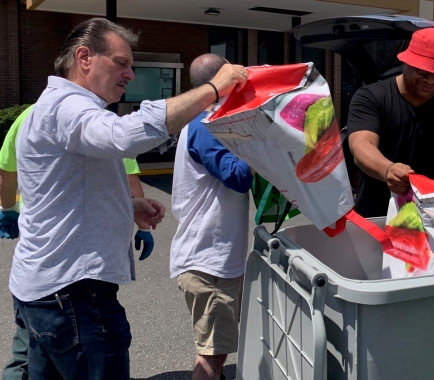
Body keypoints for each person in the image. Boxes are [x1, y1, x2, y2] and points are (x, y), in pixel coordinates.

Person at [10, 17, 247, 379]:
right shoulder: (68, 106)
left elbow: (57, 189)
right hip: (73, 294)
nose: (131, 74)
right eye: (121, 62)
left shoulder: (52, 106)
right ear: (84, 57)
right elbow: (122, 136)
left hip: (45, 290)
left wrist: (128, 205)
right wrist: (214, 89)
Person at [0, 105, 155, 380]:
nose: (128, 75)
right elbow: (128, 179)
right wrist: (144, 228)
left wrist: (9, 210)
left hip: (32, 268)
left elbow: (6, 172)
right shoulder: (93, 122)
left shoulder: (27, 118)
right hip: (71, 276)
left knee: (29, 348)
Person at [170, 53, 253, 380]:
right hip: (208, 264)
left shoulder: (211, 124)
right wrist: (262, 142)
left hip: (217, 260)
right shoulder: (206, 126)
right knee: (212, 357)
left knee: (215, 352)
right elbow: (239, 176)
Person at [346, 28, 434, 217]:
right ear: (406, 61)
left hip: (432, 218)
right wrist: (388, 170)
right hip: (376, 216)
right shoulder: (371, 97)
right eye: (423, 73)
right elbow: (361, 145)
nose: (431, 81)